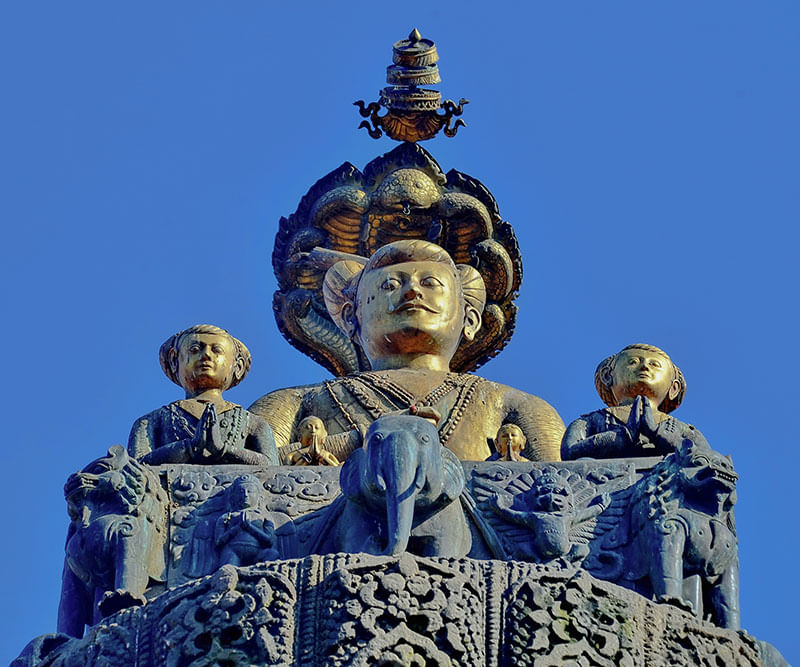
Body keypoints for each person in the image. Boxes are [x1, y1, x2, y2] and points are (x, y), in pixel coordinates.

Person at [250, 240, 564, 461]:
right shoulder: (294, 402)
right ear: (351, 317)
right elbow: (250, 469)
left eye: (430, 283)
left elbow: (563, 487)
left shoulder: (514, 406)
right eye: (389, 285)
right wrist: (360, 438)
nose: (412, 291)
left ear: (469, 318)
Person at [128, 324, 279, 465]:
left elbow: (272, 466)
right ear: (174, 361)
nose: (206, 355)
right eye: (195, 349)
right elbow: (136, 465)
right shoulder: (152, 421)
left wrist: (223, 449)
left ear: (237, 367)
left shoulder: (253, 424)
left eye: (217, 350)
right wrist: (190, 447)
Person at [561, 343, 710, 460]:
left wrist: (657, 433)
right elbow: (569, 451)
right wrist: (624, 435)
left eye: (654, 365)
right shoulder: (591, 421)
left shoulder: (685, 430)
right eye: (633, 362)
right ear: (607, 376)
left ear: (674, 388)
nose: (644, 367)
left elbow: (707, 459)